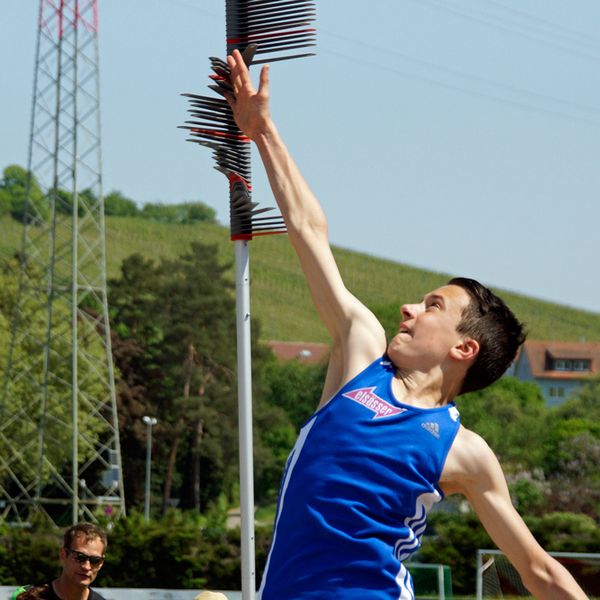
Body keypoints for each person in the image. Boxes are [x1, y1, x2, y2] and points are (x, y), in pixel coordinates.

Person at [223, 49, 589, 600]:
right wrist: (263, 130)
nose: (410, 310)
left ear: (464, 347)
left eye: (432, 306)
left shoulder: (462, 450)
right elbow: (308, 230)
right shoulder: (359, 355)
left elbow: (538, 571)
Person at [12, 523, 108, 600]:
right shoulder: (29, 596)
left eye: (95, 560)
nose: (87, 566)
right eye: (80, 557)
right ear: (63, 555)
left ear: (101, 564)